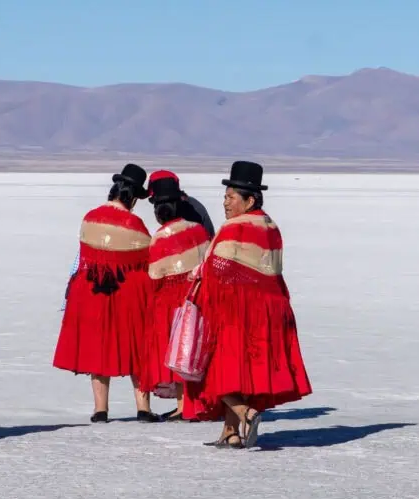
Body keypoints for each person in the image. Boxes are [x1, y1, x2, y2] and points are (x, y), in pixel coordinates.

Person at [185, 161, 312, 448]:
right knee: (238, 370)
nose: (225, 203)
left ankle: (246, 413)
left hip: (236, 311)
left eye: (231, 197)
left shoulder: (234, 229)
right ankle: (229, 434)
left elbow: (218, 272)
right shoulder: (270, 227)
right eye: (225, 197)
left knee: (215, 367)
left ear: (249, 199)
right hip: (267, 311)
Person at [54, 163, 161, 423]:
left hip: (89, 289)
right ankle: (143, 407)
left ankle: (100, 409)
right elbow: (149, 257)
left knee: (97, 345)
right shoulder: (134, 224)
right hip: (128, 293)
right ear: (134, 197)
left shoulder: (89, 217)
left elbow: (84, 253)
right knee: (137, 344)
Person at [138, 170, 212, 421]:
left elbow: (155, 275)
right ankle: (191, 403)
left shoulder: (159, 238)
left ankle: (184, 406)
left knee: (176, 348)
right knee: (193, 346)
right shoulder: (199, 230)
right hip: (197, 293)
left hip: (170, 298)